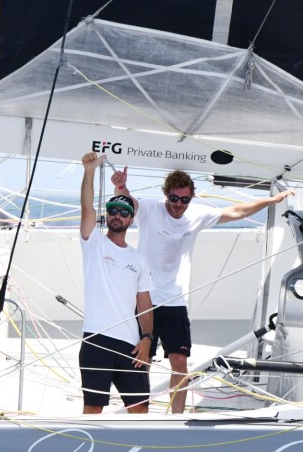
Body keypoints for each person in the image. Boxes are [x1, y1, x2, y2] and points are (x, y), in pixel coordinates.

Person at [111, 162, 295, 413]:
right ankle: (139, 412)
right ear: (166, 194)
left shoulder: (195, 215)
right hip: (145, 299)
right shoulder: (151, 210)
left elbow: (237, 211)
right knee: (143, 361)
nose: (178, 204)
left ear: (190, 198)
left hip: (175, 301)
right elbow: (127, 204)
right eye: (174, 198)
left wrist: (273, 200)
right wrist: (121, 187)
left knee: (179, 362)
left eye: (184, 200)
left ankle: (176, 418)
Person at [80, 152, 154, 415]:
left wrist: (147, 339)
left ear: (131, 219)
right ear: (107, 215)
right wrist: (89, 171)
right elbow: (87, 209)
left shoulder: (139, 259)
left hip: (132, 344)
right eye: (113, 210)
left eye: (124, 212)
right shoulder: (94, 243)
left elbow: (144, 303)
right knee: (93, 409)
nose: (118, 215)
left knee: (140, 410)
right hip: (97, 340)